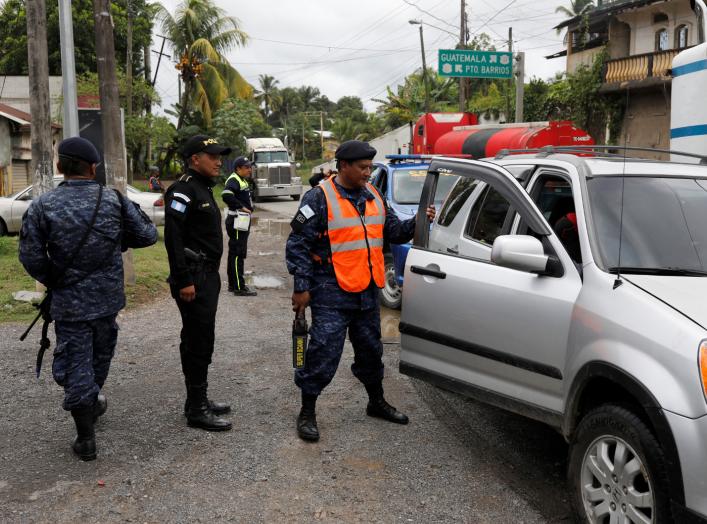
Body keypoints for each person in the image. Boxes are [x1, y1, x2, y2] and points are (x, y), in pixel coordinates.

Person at [285, 139, 435, 442]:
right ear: (343, 166)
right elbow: (297, 244)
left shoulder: (374, 195)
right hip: (331, 291)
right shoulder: (318, 198)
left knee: (370, 352)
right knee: (322, 353)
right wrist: (301, 287)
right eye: (363, 167)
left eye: (370, 167)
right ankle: (307, 411)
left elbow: (392, 231)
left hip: (367, 290)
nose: (368, 172)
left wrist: (418, 221)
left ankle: (375, 401)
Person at [18, 137, 157, 461]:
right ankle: (89, 411)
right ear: (93, 168)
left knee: (77, 361)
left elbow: (30, 256)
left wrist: (56, 279)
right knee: (99, 357)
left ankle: (86, 435)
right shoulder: (114, 201)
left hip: (69, 303)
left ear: (58, 167)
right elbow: (147, 235)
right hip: (107, 300)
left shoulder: (43, 205)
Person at [164, 135, 233, 432]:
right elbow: (173, 236)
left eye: (220, 156)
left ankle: (196, 399)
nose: (219, 161)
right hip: (194, 277)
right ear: (195, 159)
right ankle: (197, 409)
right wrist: (183, 279)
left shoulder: (201, 188)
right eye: (213, 156)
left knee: (200, 338)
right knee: (198, 340)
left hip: (206, 275)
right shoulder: (183, 190)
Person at [221, 156, 257, 296]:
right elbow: (226, 194)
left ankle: (233, 284)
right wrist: (241, 207)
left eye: (250, 166)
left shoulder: (241, 179)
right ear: (238, 169)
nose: (249, 169)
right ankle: (239, 287)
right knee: (238, 253)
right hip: (237, 220)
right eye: (246, 167)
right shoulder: (233, 179)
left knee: (235, 252)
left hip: (240, 220)